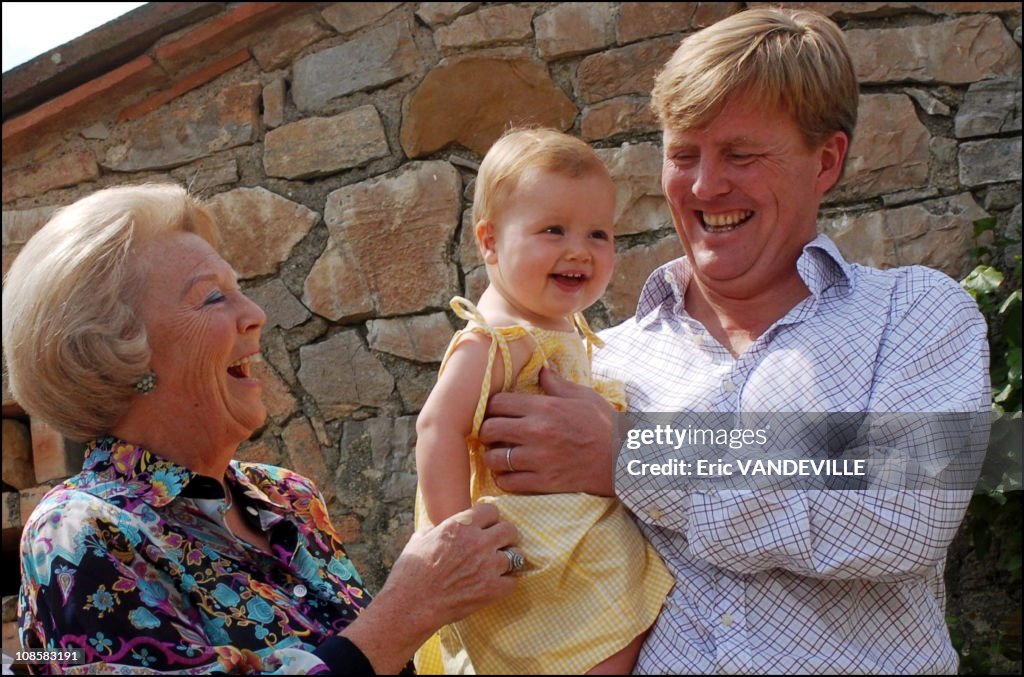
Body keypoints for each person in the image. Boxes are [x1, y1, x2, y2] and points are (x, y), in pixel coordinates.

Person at [473, 8, 990, 675]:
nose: (704, 185)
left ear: (825, 160)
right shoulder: (598, 360)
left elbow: (901, 509)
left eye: (740, 155)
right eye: (683, 154)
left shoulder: (915, 314)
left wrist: (636, 451)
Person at [2, 184, 521, 675]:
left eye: (241, 292)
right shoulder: (78, 530)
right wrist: (406, 611)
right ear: (111, 352)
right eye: (212, 298)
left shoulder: (289, 498)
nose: (255, 315)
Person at [413, 128, 674, 674]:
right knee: (588, 643)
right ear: (488, 242)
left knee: (617, 627)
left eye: (598, 234)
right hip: (533, 548)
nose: (579, 249)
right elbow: (437, 427)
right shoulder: (494, 339)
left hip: (573, 535)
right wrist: (456, 538)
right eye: (552, 230)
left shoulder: (559, 328)